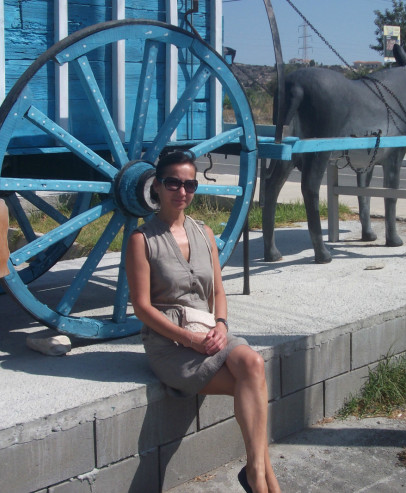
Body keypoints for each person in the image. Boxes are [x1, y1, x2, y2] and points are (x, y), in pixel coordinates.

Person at [126, 151, 280, 493]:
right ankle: (264, 478)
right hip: (169, 343)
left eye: (190, 185)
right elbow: (141, 307)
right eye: (173, 183)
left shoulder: (204, 233)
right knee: (252, 387)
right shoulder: (142, 240)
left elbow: (219, 292)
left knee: (253, 364)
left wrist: (221, 325)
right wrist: (189, 339)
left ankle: (256, 473)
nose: (182, 191)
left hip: (209, 330)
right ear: (157, 186)